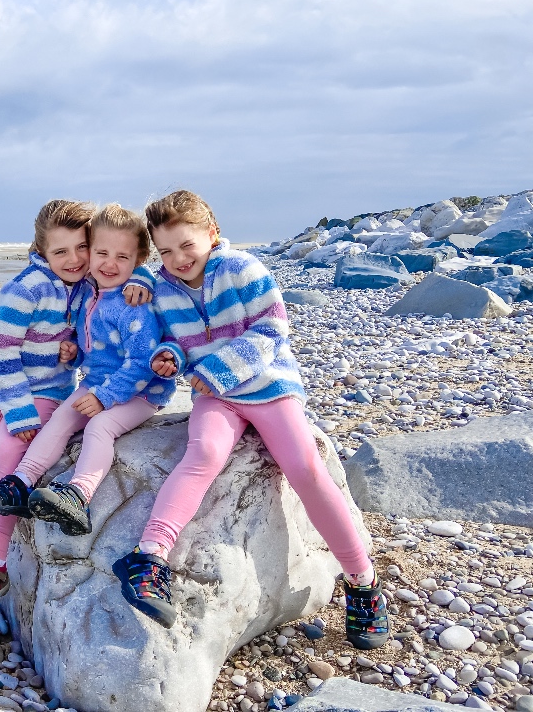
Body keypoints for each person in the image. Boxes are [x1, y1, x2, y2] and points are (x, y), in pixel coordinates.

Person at [112, 190, 388, 650]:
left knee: (305, 469)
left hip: (267, 386)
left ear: (212, 234)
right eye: (165, 251)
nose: (178, 258)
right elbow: (175, 342)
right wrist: (168, 356)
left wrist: (217, 371)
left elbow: (272, 328)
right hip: (214, 399)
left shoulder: (243, 268)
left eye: (187, 246)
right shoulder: (161, 287)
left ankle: (362, 582)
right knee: (203, 454)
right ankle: (148, 558)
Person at [0, 199, 153, 622]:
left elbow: (126, 268)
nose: (74, 260)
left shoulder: (88, 285)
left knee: (6, 457)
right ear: (41, 252)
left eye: (81, 248)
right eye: (60, 252)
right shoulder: (23, 291)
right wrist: (18, 414)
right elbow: (2, 359)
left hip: (50, 392)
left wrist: (141, 277)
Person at [0, 203, 175, 538]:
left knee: (100, 427)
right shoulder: (91, 293)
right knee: (60, 420)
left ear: (138, 260)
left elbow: (141, 362)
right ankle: (20, 483)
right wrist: (76, 351)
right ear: (91, 251)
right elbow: (97, 345)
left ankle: (78, 495)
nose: (109, 264)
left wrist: (105, 397)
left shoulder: (133, 306)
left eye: (123, 258)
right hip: (97, 383)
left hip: (139, 391)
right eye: (101, 253)